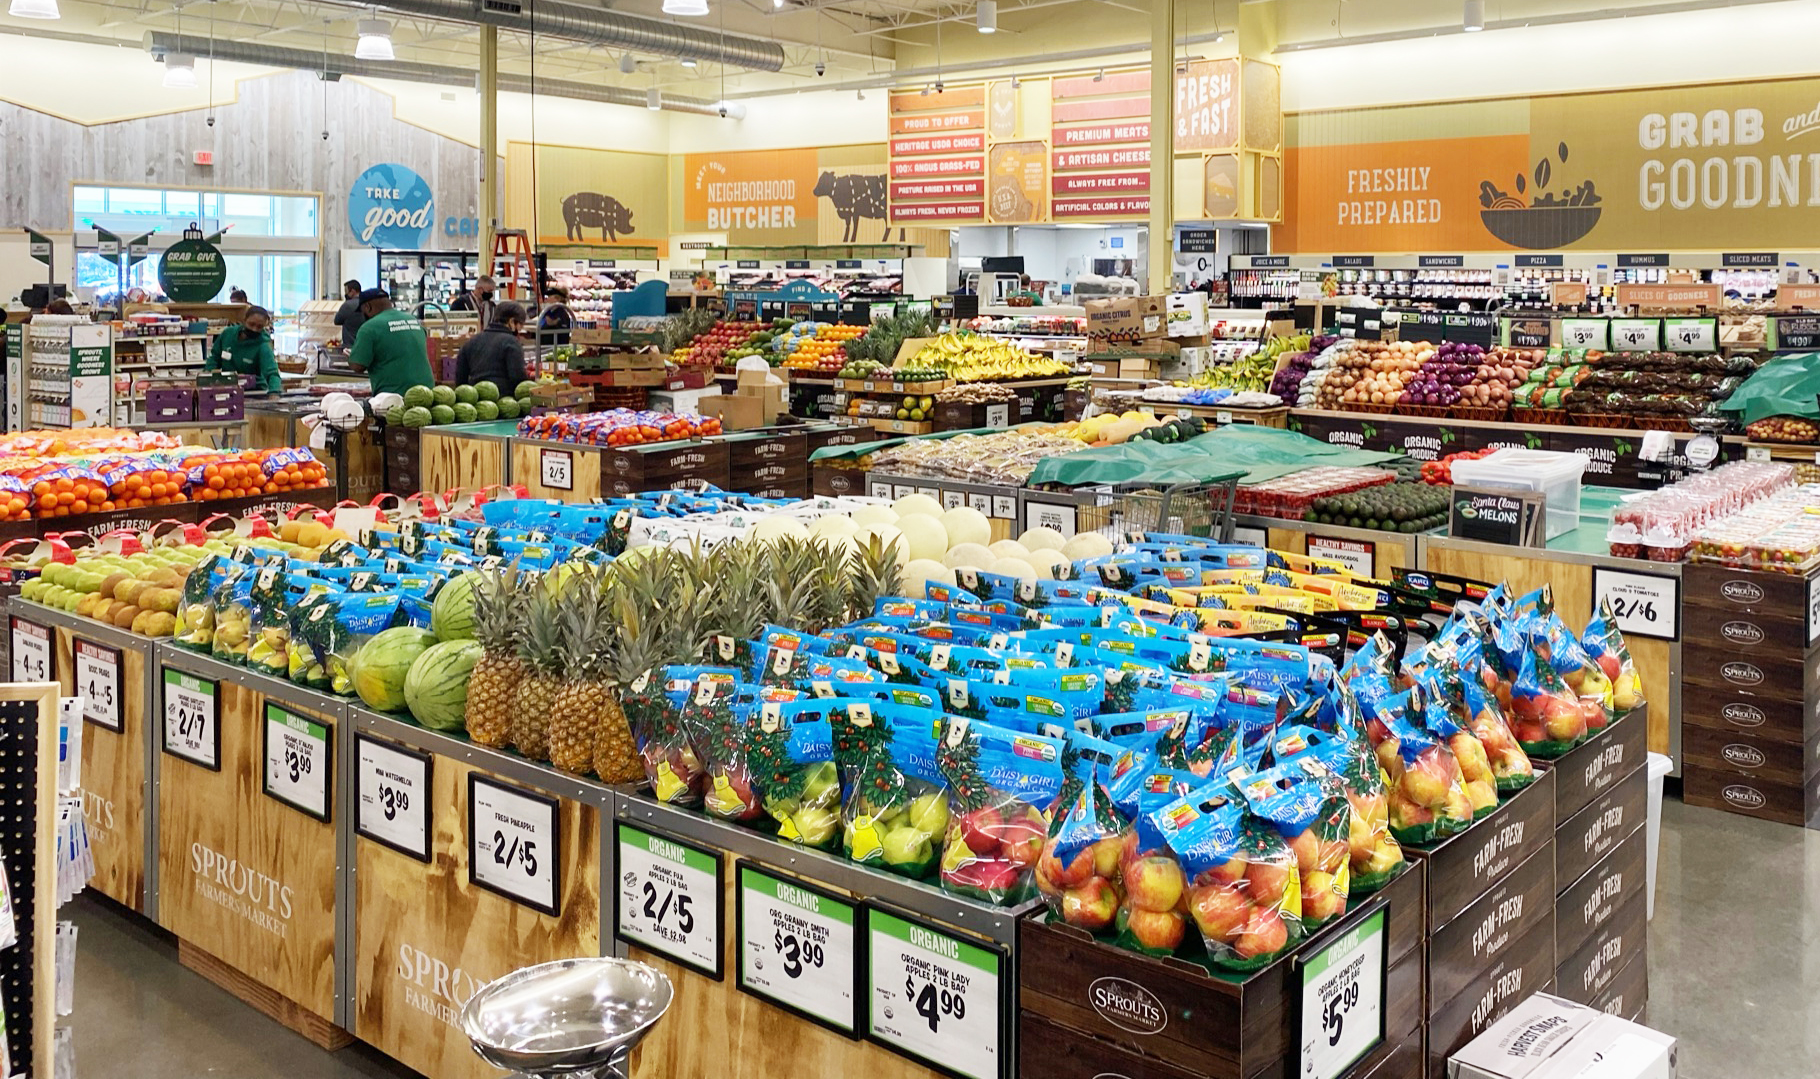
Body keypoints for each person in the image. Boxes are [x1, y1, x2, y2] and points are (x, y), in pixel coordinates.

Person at [349, 289, 434, 397]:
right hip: (427, 392)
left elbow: (358, 366)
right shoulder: (413, 320)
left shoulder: (369, 328)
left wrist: (351, 357)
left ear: (367, 307)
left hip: (394, 396)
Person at [205, 306, 283, 394]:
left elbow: (272, 372)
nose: (254, 329)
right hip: (228, 388)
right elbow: (215, 357)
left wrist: (275, 392)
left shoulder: (263, 345)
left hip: (254, 392)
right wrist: (207, 376)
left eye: (259, 327)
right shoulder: (228, 334)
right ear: (244, 320)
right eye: (251, 324)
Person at [454, 301, 530, 389]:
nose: (520, 329)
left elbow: (460, 378)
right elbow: (518, 378)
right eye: (521, 325)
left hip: (475, 398)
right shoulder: (511, 342)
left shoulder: (471, 341)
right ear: (512, 321)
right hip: (504, 398)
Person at [333, 279, 366, 349]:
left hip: (350, 346)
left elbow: (337, 321)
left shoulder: (347, 305)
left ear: (353, 291)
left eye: (346, 291)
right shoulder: (368, 303)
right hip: (364, 345)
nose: (345, 294)